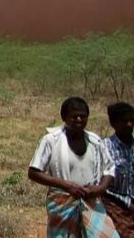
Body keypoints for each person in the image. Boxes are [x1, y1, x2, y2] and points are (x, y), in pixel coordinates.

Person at [28, 97, 119, 238]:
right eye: (74, 116)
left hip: (91, 201)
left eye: (83, 116)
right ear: (64, 117)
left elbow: (109, 168)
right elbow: (34, 172)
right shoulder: (51, 140)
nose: (78, 120)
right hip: (63, 202)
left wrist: (100, 188)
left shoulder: (95, 140)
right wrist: (66, 186)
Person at [103, 102, 134, 235]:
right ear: (113, 123)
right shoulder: (104, 148)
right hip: (115, 204)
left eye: (132, 120)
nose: (129, 124)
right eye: (124, 121)